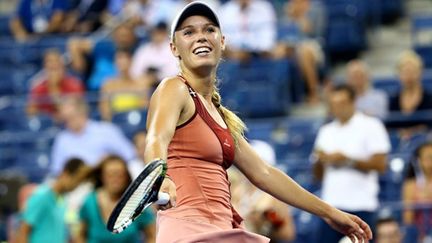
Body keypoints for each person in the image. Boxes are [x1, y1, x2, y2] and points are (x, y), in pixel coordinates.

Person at [142, 2, 372, 242]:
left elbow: (264, 173)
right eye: (188, 32)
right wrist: (160, 175)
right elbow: (156, 138)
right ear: (174, 48)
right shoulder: (173, 88)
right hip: (188, 232)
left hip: (220, 228)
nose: (200, 37)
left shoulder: (220, 116)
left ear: (222, 42)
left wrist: (330, 213)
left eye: (209, 30)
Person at [313, 84, 391, 243]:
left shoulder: (371, 125)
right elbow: (317, 175)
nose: (337, 108)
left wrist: (347, 160)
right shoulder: (326, 130)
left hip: (361, 204)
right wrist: (320, 160)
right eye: (333, 104)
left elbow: (381, 165)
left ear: (353, 102)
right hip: (331, 206)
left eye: (342, 103)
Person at [75, 155, 156, 243]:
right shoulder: (89, 202)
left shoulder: (138, 203)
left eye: (120, 175)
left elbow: (152, 236)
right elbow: (79, 236)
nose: (115, 180)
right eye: (110, 175)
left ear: (127, 177)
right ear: (102, 177)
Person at [51, 96, 136, 175]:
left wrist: (109, 160)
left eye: (71, 117)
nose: (68, 122)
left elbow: (129, 154)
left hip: (106, 178)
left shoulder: (106, 130)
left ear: (83, 113)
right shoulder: (62, 139)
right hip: (77, 184)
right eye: (65, 119)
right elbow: (57, 170)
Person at [17, 158, 89, 243]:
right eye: (76, 180)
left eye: (80, 182)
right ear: (65, 173)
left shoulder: (63, 199)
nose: (76, 185)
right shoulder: (41, 196)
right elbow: (23, 232)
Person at [272, 0, 326, 104]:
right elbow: (282, 32)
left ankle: (313, 93)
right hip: (292, 44)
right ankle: (282, 99)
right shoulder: (287, 10)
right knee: (278, 52)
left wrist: (299, 16)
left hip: (313, 44)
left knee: (304, 52)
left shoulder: (316, 8)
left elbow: (314, 31)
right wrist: (291, 16)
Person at [68, 23, 138, 90]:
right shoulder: (103, 48)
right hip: (93, 90)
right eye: (120, 36)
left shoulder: (138, 53)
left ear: (132, 37)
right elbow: (74, 44)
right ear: (114, 37)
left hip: (119, 90)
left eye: (126, 36)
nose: (123, 39)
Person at [27, 49, 85, 119]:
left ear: (63, 67)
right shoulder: (38, 87)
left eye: (56, 68)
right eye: (51, 68)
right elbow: (30, 112)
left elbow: (77, 110)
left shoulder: (74, 85)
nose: (53, 65)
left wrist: (54, 88)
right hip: (46, 125)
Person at [99, 49, 152, 121]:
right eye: (118, 58)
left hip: (136, 121)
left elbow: (144, 108)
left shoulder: (142, 83)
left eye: (124, 58)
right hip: (116, 122)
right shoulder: (108, 84)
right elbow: (105, 111)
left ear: (131, 61)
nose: (121, 62)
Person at [402, 141, 432, 241]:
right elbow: (408, 218)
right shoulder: (410, 185)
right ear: (419, 161)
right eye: (429, 157)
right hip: (419, 235)